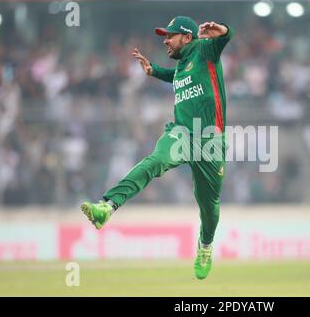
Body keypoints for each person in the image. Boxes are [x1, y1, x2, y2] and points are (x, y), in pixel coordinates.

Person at [81, 16, 233, 280]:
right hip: (182, 134)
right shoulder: (185, 65)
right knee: (155, 161)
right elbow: (176, 75)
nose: (165, 40)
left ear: (187, 37)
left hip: (210, 140)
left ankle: (205, 246)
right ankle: (107, 206)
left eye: (170, 35)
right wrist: (154, 71)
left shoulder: (204, 50)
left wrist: (223, 30)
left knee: (209, 206)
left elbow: (225, 39)